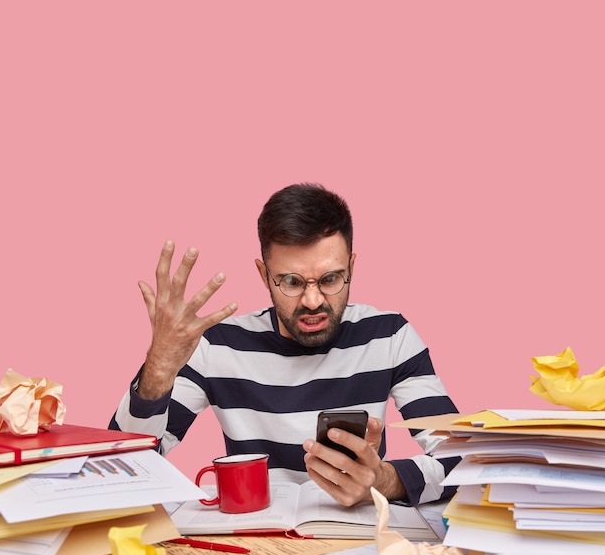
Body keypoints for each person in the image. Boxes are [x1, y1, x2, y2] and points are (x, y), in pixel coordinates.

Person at [110, 183, 459, 507]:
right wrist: (158, 368)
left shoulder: (391, 336)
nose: (312, 300)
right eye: (291, 281)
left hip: (360, 542)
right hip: (258, 545)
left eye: (330, 279)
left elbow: (465, 462)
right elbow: (126, 468)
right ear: (264, 275)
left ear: (351, 266)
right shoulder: (215, 346)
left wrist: (385, 481)